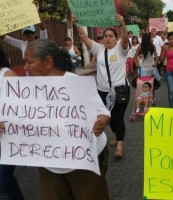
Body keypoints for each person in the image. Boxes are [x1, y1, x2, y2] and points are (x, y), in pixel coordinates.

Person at [23, 38, 111, 200]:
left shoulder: (76, 83)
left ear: (48, 61)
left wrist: (102, 121)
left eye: (29, 62)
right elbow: (19, 117)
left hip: (84, 160)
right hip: (50, 164)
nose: (25, 67)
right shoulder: (26, 89)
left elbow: (102, 111)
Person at [73, 14, 129, 158]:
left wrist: (122, 24)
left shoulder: (121, 49)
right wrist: (77, 24)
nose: (108, 38)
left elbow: (125, 39)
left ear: (116, 38)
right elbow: (83, 36)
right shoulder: (98, 49)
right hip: (103, 91)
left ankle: (120, 145)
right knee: (107, 116)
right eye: (106, 36)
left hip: (120, 90)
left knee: (118, 117)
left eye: (111, 36)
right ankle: (116, 135)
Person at [0, 46, 23, 200]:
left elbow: (23, 109)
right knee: (6, 183)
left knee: (2, 184)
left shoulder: (7, 76)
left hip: (6, 140)